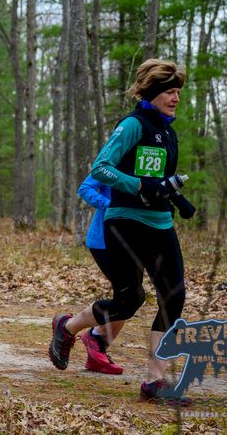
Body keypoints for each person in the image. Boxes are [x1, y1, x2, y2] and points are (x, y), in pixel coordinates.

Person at [49, 59, 190, 404]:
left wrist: (175, 196)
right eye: (170, 92)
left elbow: (157, 177)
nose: (176, 98)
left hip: (160, 223)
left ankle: (155, 381)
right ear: (153, 93)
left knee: (174, 296)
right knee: (130, 299)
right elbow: (101, 167)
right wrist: (138, 185)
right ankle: (68, 327)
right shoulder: (132, 125)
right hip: (124, 221)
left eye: (178, 92)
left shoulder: (168, 131)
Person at [76, 174, 125, 375]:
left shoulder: (146, 162)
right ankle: (93, 337)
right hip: (104, 240)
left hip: (133, 242)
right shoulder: (114, 159)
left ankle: (97, 345)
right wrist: (110, 205)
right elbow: (85, 188)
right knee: (128, 295)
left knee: (131, 297)